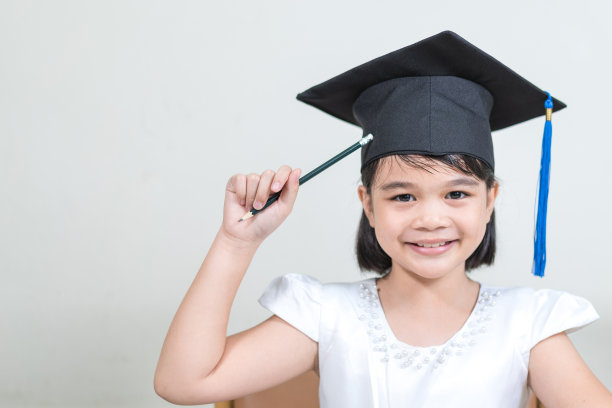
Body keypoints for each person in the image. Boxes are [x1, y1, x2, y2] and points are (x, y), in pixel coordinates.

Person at [154, 31, 612, 407]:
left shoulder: (526, 325)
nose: (431, 218)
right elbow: (184, 383)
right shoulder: (327, 318)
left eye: (457, 193)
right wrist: (237, 243)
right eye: (402, 196)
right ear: (368, 204)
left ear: (489, 200)